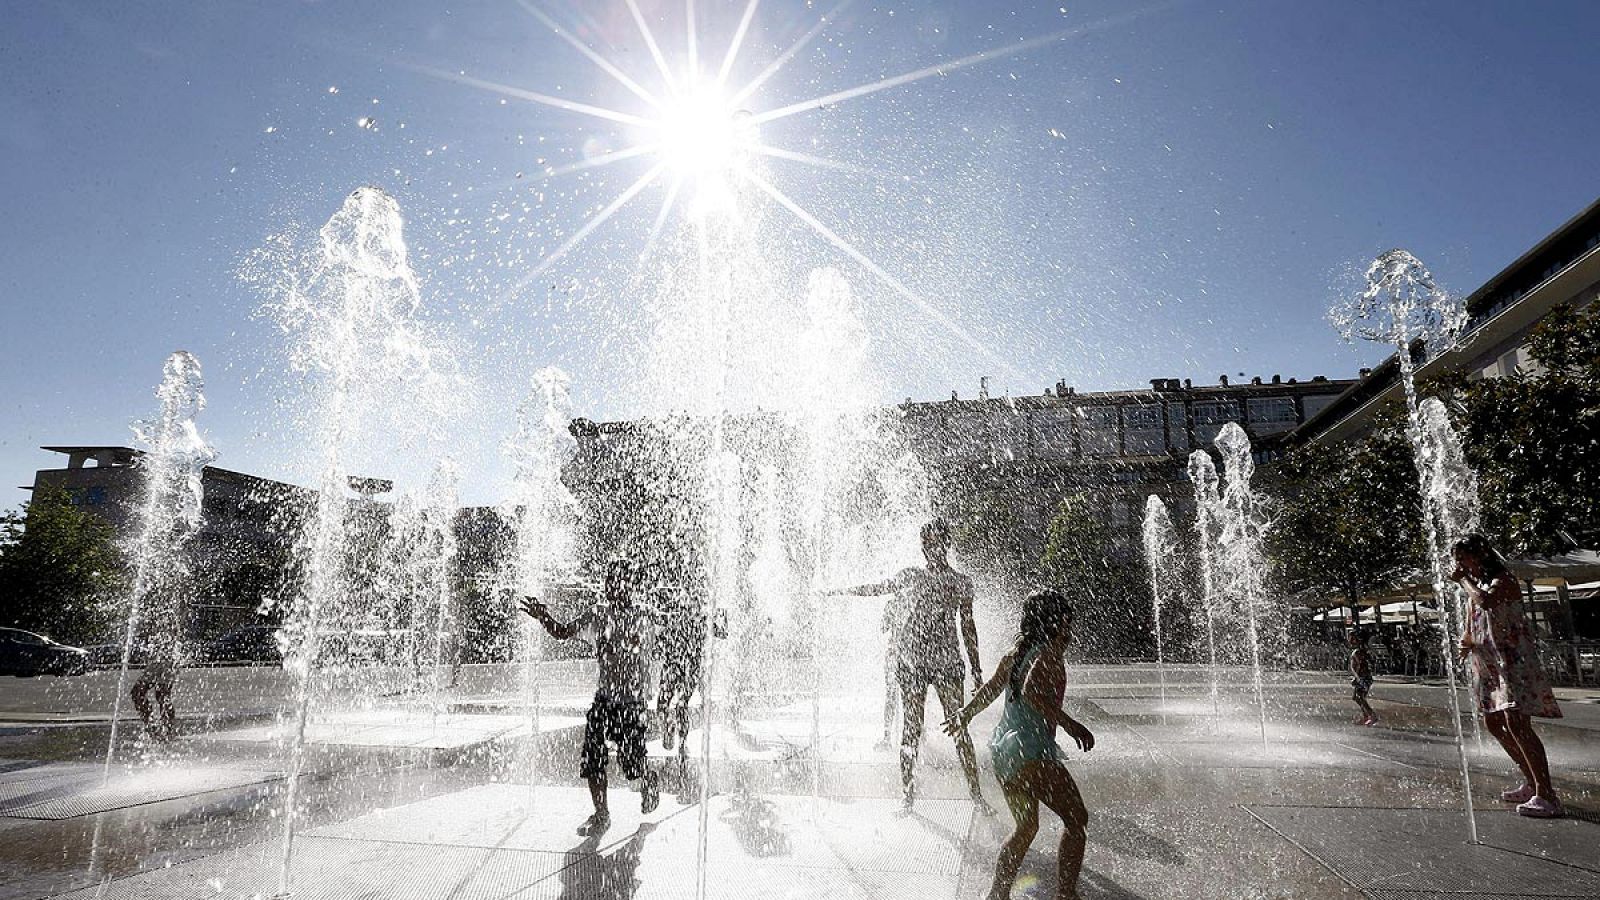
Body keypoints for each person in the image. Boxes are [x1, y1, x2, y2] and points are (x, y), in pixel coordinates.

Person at [944, 590, 1093, 900]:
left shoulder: (1016, 654)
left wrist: (965, 714)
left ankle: (997, 895)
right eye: (1067, 617)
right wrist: (1071, 724)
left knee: (1025, 828)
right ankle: (1066, 894)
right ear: (1057, 619)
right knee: (1077, 819)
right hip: (1032, 753)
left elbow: (991, 690)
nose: (1070, 624)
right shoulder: (1047, 652)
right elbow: (1030, 691)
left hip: (1007, 752)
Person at [833, 519, 989, 813]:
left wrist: (977, 669)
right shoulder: (911, 576)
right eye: (927, 543)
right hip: (913, 662)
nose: (931, 548)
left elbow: (968, 627)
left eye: (937, 542)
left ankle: (976, 795)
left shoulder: (960, 582)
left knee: (959, 728)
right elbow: (877, 589)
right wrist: (841, 592)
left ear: (947, 544)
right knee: (910, 730)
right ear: (922, 546)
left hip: (947, 663)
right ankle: (907, 796)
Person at [521, 558, 661, 836]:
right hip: (604, 700)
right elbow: (562, 633)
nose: (611, 586)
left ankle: (647, 780)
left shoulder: (645, 616)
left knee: (631, 765)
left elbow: (665, 642)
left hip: (632, 704)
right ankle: (601, 814)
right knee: (593, 757)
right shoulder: (598, 613)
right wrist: (543, 616)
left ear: (630, 586)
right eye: (609, 580)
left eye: (617, 581)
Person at [1452, 532, 1564, 818]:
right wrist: (1466, 641)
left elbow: (1485, 602)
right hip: (1488, 664)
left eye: (1464, 559)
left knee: (1517, 723)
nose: (1461, 566)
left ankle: (1547, 794)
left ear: (1481, 556)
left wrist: (1463, 579)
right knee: (1493, 723)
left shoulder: (1504, 581)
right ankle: (1530, 781)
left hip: (1512, 660)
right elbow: (1474, 617)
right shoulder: (1478, 585)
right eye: (1458, 561)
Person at [655, 578, 727, 756]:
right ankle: (681, 742)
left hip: (675, 666)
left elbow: (660, 641)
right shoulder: (702, 620)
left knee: (666, 704)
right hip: (688, 668)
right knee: (681, 705)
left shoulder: (677, 618)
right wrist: (722, 616)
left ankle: (673, 732)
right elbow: (723, 633)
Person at [1348, 629, 1377, 726]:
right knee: (1357, 697)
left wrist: (1357, 678)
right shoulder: (1360, 650)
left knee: (1359, 697)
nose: (1349, 640)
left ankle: (1371, 715)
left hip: (1363, 678)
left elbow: (1359, 666)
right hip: (1364, 677)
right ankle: (1366, 716)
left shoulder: (1359, 651)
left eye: (1352, 638)